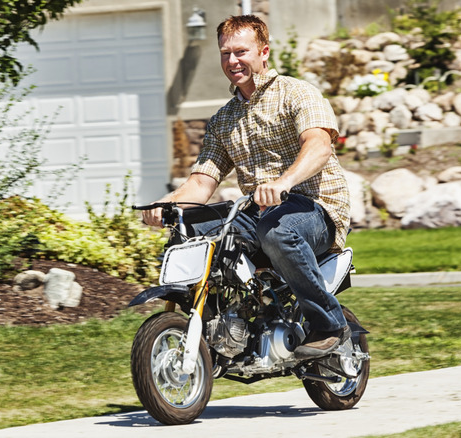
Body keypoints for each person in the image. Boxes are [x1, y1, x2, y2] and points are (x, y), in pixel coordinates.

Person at [142, 15, 351, 359]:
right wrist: (166, 205)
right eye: (225, 53)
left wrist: (284, 183)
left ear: (264, 52)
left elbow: (318, 145)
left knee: (277, 231)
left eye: (241, 51)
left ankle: (329, 324)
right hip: (259, 212)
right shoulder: (224, 119)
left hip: (315, 208)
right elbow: (201, 182)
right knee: (190, 227)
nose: (232, 61)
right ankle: (218, 323)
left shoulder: (296, 93)